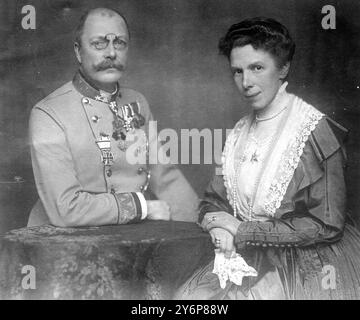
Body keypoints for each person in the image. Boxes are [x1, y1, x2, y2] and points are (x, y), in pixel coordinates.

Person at [176, 17, 360, 299]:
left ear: (283, 68)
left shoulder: (312, 131)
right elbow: (213, 200)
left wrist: (242, 230)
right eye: (237, 71)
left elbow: (327, 225)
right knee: (187, 300)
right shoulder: (239, 132)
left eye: (257, 68)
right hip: (246, 254)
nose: (246, 82)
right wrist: (218, 226)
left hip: (306, 262)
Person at [28, 8, 199, 227]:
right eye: (99, 43)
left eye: (119, 43)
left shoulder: (137, 102)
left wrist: (206, 222)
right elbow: (66, 209)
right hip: (64, 241)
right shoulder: (48, 113)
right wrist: (142, 207)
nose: (111, 53)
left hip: (130, 233)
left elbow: (165, 177)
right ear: (78, 52)